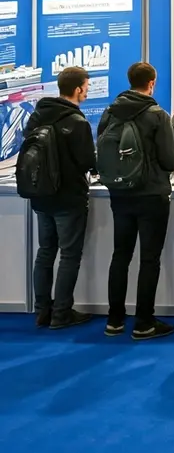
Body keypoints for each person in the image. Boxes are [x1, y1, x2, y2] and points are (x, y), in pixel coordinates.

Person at [98, 62, 174, 340]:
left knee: (120, 256)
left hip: (119, 194)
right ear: (152, 83)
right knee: (149, 259)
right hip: (152, 196)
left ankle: (115, 320)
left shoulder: (110, 112)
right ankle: (144, 322)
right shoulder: (157, 115)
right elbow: (171, 160)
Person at [25, 67, 95, 329]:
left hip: (41, 196)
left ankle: (42, 310)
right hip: (68, 198)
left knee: (45, 252)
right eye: (86, 86)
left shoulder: (37, 115)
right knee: (69, 255)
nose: (87, 90)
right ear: (78, 89)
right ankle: (62, 313)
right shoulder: (77, 122)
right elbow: (87, 161)